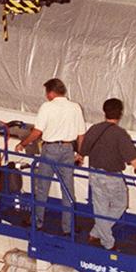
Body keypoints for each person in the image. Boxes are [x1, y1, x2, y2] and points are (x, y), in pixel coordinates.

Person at [77, 98, 136, 249]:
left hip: (94, 173)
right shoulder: (120, 134)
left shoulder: (95, 128)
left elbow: (83, 150)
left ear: (104, 112)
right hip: (112, 176)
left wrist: (80, 156)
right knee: (120, 204)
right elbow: (135, 160)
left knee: (101, 208)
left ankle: (97, 233)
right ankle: (107, 243)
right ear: (120, 114)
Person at [15, 78, 86, 234]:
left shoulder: (47, 107)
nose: (46, 96)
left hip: (50, 150)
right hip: (68, 149)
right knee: (68, 190)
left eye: (47, 93)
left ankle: (37, 222)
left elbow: (37, 132)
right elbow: (81, 134)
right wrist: (80, 154)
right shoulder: (75, 107)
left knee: (42, 187)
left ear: (52, 92)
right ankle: (69, 227)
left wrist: (23, 144)